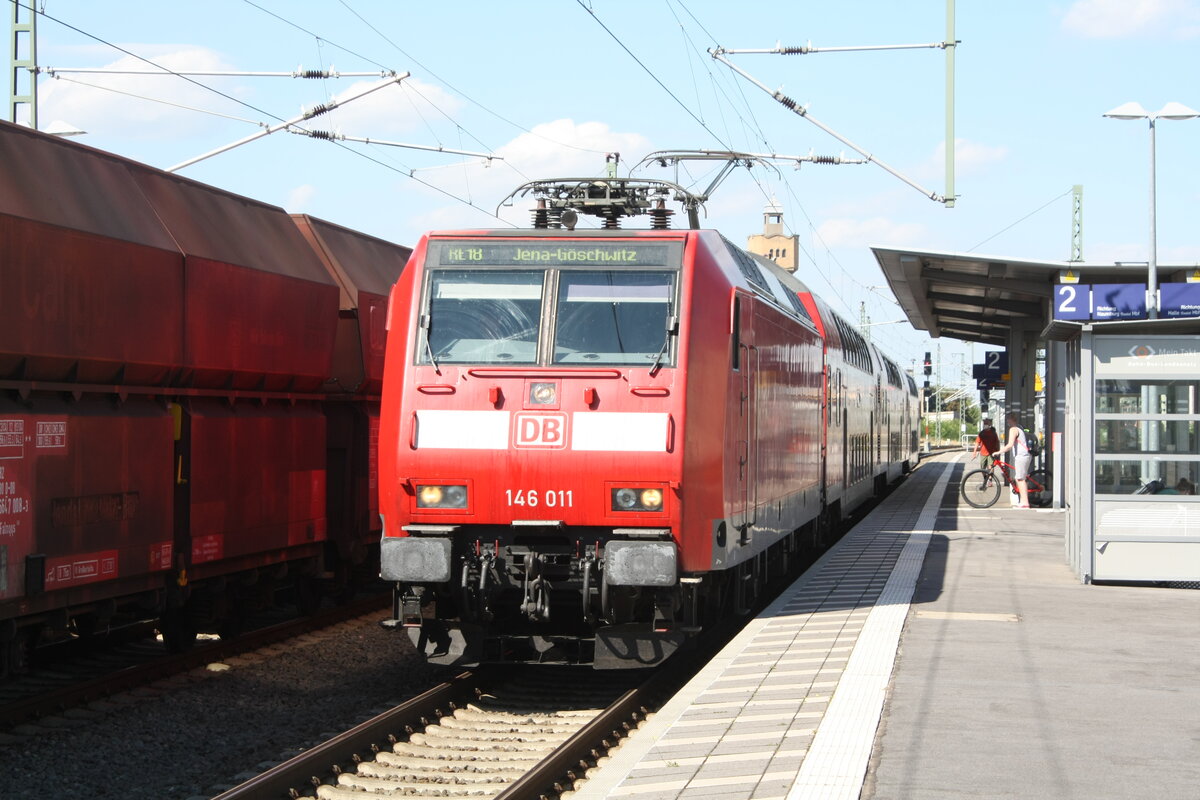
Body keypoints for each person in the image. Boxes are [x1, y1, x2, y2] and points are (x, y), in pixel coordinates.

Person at [996, 412, 1032, 508]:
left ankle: (1025, 502)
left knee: (1020, 479)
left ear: (1011, 419)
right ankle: (1023, 501)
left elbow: (1009, 445)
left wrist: (998, 452)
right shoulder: (1019, 428)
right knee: (1019, 478)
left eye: (1007, 419)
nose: (1007, 421)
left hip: (1021, 456)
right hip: (1024, 455)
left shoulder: (1013, 429)